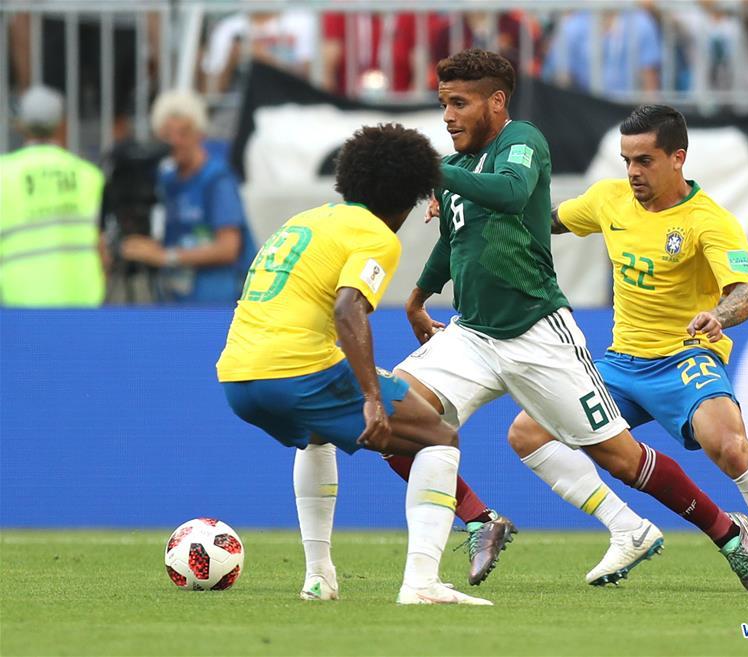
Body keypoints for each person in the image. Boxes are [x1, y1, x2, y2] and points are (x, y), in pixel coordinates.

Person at [379, 49, 748, 592]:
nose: (447, 115)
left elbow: (514, 193)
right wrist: (419, 297)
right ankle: (475, 524)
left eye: (459, 103)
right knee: (391, 418)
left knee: (619, 456)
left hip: (539, 333)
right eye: (443, 103)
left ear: (496, 102)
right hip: (471, 333)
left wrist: (436, 173)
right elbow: (455, 240)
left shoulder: (521, 142)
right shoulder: (462, 167)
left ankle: (725, 530)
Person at [507, 104, 748, 592]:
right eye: (627, 160)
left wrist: (716, 316)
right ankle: (626, 527)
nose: (633, 172)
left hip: (685, 357)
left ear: (677, 158)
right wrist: (480, 207)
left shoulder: (709, 220)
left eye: (645, 160)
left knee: (730, 448)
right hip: (619, 363)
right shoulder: (608, 200)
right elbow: (545, 221)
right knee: (526, 433)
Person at [216, 123, 490, 606]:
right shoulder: (376, 235)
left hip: (238, 376)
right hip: (296, 370)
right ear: (409, 195)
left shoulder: (305, 221)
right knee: (439, 437)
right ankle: (422, 583)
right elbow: (348, 309)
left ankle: (319, 577)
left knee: (315, 432)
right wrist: (371, 398)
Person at [120, 90, 255, 303]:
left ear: (200, 133)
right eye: (167, 135)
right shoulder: (167, 180)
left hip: (216, 303)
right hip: (177, 300)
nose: (175, 142)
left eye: (183, 133)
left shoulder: (217, 179)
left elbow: (229, 247)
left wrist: (165, 257)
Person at [0, 86, 106, 307]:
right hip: (81, 300)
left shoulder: (4, 173)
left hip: (18, 301)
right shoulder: (88, 174)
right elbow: (100, 243)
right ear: (62, 124)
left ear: (19, 125)